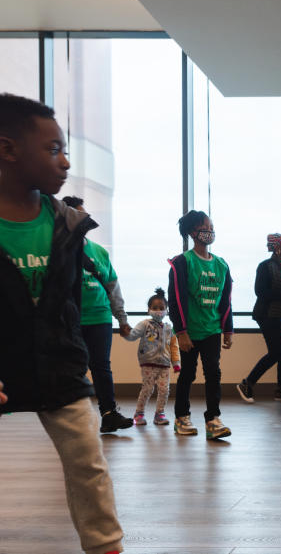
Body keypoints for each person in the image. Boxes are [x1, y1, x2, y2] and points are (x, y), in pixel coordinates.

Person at [0, 93, 124, 554]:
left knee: (89, 464)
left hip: (61, 370)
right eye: (53, 150)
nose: (65, 162)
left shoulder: (68, 226)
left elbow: (66, 304)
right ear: (8, 149)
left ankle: (106, 547)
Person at [61, 196, 135, 433]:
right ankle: (73, 417)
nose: (85, 220)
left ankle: (109, 413)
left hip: (100, 317)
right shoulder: (58, 251)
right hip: (71, 320)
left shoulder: (99, 252)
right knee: (74, 369)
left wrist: (121, 319)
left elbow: (113, 287)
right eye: (79, 216)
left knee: (101, 367)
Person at [168, 209, 234, 440]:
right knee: (187, 374)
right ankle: (181, 417)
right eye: (204, 227)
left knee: (213, 373)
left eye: (211, 227)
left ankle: (213, 419)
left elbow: (226, 300)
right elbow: (176, 299)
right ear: (192, 232)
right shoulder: (181, 263)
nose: (209, 231)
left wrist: (228, 329)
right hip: (190, 332)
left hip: (212, 329)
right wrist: (181, 332)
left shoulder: (222, 264)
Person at [237, 233, 281, 403]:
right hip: (270, 314)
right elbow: (260, 292)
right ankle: (247, 383)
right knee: (276, 352)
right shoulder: (265, 266)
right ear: (277, 247)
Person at [122, 288, 181, 425]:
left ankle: (159, 413)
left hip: (164, 364)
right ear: (149, 309)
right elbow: (133, 335)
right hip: (148, 363)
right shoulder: (145, 324)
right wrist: (126, 333)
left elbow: (174, 346)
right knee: (148, 389)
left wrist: (176, 362)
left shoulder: (169, 328)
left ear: (166, 310)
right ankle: (139, 413)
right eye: (155, 308)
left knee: (164, 390)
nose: (158, 310)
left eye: (162, 308)